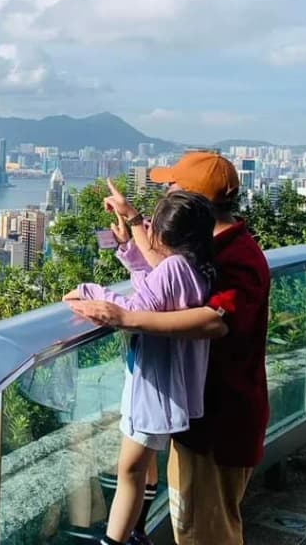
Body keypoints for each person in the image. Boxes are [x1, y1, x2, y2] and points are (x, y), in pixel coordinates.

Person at [69, 152, 271, 545]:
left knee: (205, 533)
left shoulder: (236, 256)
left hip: (221, 422)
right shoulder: (210, 248)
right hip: (205, 413)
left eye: (173, 186)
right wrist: (131, 221)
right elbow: (166, 266)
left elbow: (214, 321)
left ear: (194, 200)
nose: (165, 190)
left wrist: (124, 317)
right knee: (192, 523)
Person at [65, 191, 216, 545]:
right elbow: (154, 286)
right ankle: (138, 531)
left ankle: (118, 539)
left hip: (153, 388)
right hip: (166, 384)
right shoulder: (197, 266)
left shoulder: (177, 268)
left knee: (129, 470)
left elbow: (135, 309)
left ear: (164, 238)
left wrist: (90, 292)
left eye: (152, 229)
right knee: (142, 467)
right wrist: (130, 245)